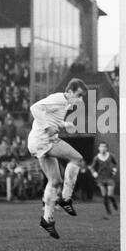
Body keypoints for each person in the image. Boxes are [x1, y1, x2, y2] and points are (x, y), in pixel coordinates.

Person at [28, 78, 88, 239]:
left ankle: (47, 220)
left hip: (37, 142)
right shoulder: (60, 98)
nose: (80, 99)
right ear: (69, 92)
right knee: (77, 159)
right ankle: (66, 199)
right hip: (43, 140)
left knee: (55, 181)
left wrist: (63, 124)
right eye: (79, 95)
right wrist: (48, 128)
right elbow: (35, 108)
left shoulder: (65, 102)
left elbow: (50, 116)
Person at [91, 142, 118, 218]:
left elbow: (115, 164)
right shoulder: (96, 157)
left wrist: (115, 169)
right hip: (101, 178)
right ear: (99, 148)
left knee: (110, 195)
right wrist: (94, 173)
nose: (103, 148)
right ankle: (108, 210)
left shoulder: (111, 156)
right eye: (101, 147)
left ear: (106, 148)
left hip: (109, 177)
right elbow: (91, 167)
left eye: (104, 147)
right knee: (104, 195)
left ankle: (113, 202)